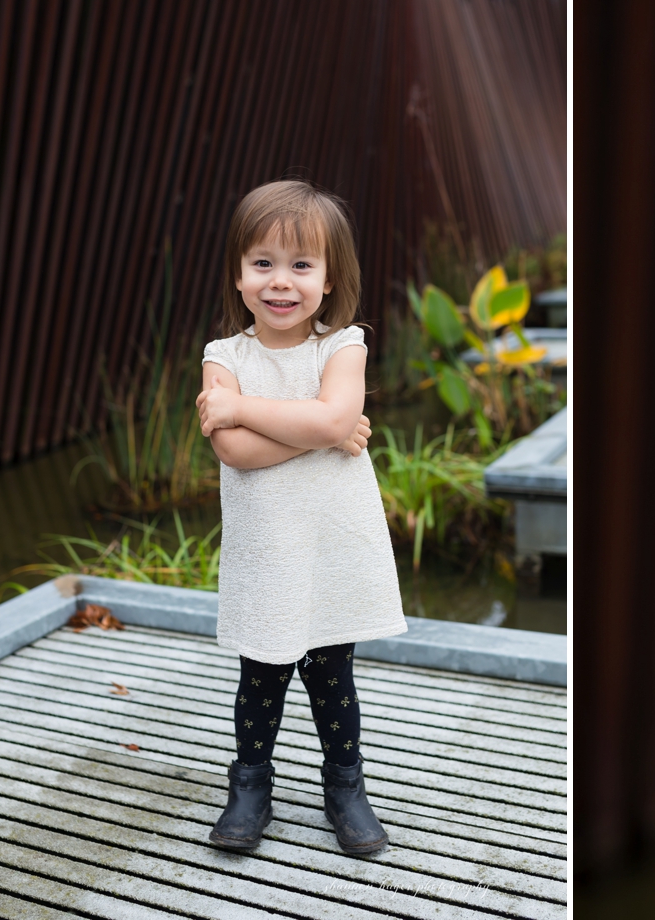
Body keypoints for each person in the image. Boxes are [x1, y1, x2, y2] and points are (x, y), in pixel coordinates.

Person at [194, 180, 407, 856]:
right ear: (238, 272)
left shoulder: (342, 346)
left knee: (332, 676)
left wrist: (266, 411)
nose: (280, 282)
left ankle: (345, 785)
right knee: (260, 678)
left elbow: (337, 416)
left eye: (300, 266)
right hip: (266, 552)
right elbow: (235, 450)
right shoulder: (224, 357)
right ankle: (250, 784)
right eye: (263, 263)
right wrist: (320, 428)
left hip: (329, 551)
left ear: (329, 276)